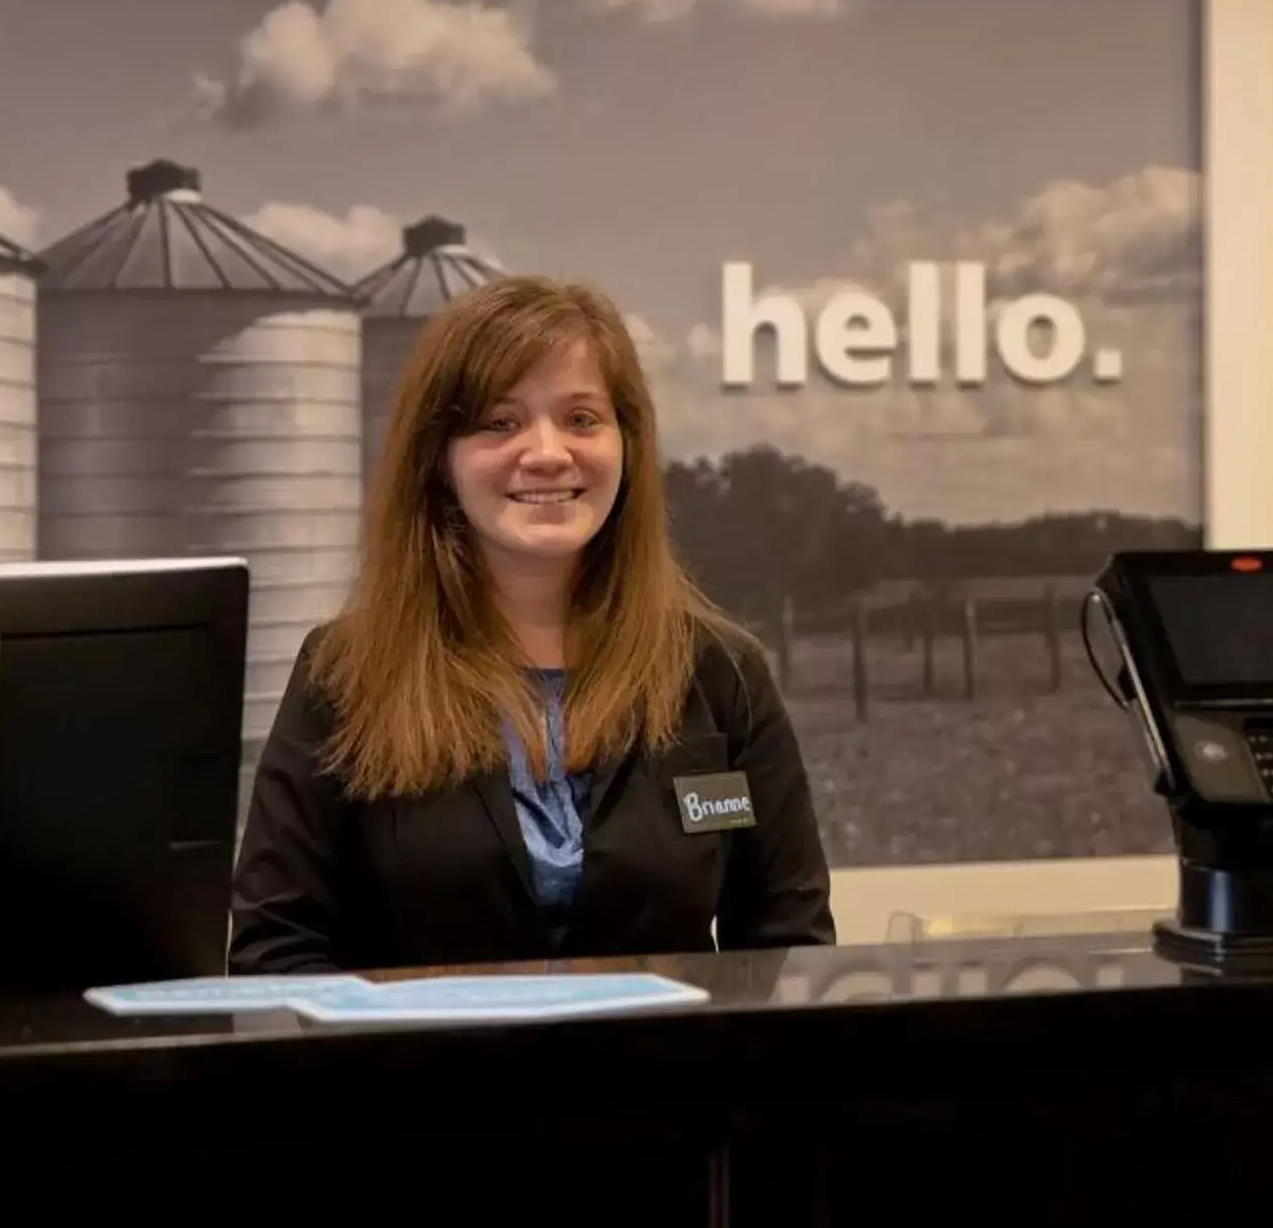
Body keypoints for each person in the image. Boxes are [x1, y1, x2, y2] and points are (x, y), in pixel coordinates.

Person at [230, 276, 833, 974]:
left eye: (581, 419)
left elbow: (788, 948)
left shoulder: (722, 673)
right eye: (500, 422)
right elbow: (275, 950)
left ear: (626, 445)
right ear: (439, 459)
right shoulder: (344, 672)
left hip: (665, 1082)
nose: (547, 453)